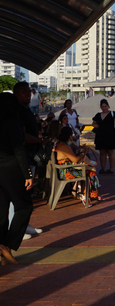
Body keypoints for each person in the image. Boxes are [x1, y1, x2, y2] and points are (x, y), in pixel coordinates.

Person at [0, 92, 33, 265]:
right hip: (11, 169)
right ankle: (8, 244)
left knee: (1, 210)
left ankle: (2, 248)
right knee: (24, 206)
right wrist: (27, 174)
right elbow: (19, 150)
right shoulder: (12, 123)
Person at [52, 122, 100, 204]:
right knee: (91, 171)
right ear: (70, 136)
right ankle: (87, 194)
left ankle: (87, 193)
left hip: (64, 170)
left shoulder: (61, 144)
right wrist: (84, 154)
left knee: (89, 169)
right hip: (66, 173)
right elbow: (75, 160)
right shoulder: (64, 146)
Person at [92, 99, 115, 174]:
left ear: (108, 106)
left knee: (111, 152)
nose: (104, 108)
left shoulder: (112, 114)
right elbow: (93, 122)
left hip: (110, 135)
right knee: (102, 152)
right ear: (100, 107)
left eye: (105, 106)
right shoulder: (98, 115)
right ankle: (103, 168)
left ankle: (111, 169)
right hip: (100, 135)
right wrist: (95, 125)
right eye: (102, 106)